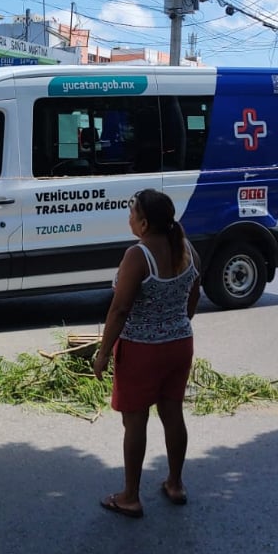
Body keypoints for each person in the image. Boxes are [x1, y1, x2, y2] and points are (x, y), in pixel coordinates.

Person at [93, 189, 200, 518]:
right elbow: (195, 292)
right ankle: (176, 483)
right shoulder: (185, 246)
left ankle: (130, 496)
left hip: (141, 351)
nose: (128, 218)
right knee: (172, 415)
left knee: (135, 421)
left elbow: (120, 309)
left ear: (143, 222)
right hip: (179, 345)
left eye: (131, 213)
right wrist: (176, 322)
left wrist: (103, 353)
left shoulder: (137, 255)